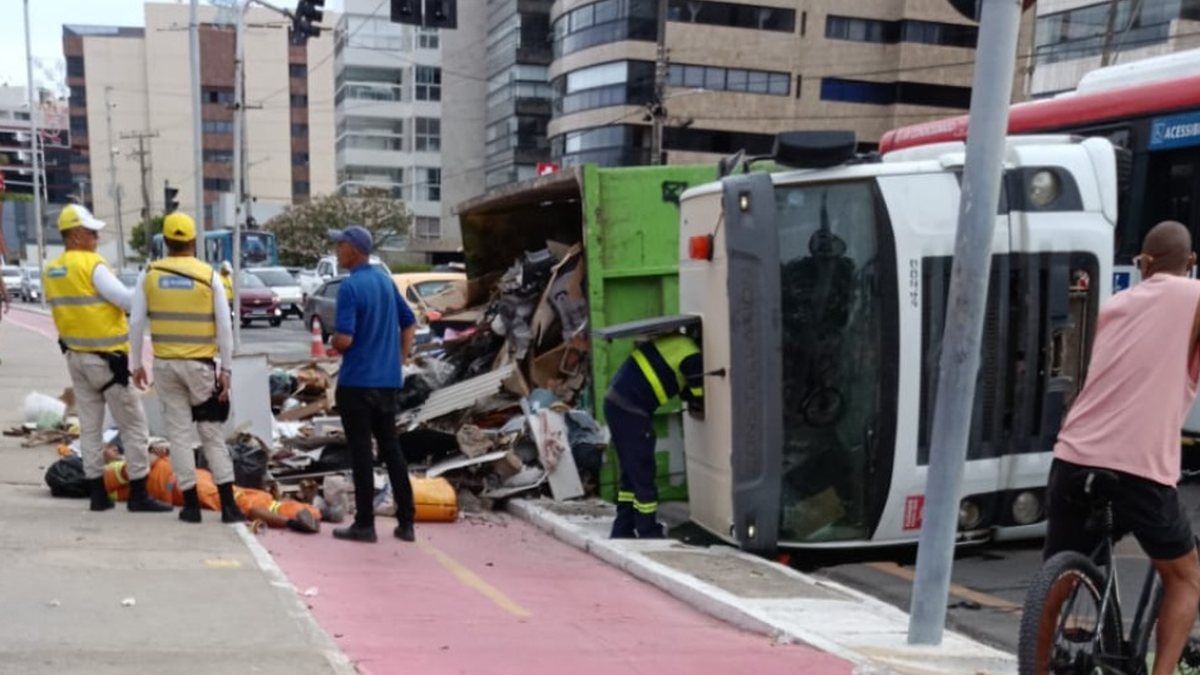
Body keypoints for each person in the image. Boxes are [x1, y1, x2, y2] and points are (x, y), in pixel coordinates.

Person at [1045, 221, 1200, 675]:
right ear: (1189, 264)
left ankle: (1031, 666)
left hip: (1073, 456)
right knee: (1186, 577)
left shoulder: (1114, 306)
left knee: (1054, 578)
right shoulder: (1193, 295)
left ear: (1144, 264)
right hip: (1141, 467)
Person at [42, 204, 171, 514]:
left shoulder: (52, 269)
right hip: (107, 361)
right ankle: (139, 493)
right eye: (90, 232)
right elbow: (125, 300)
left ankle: (97, 494)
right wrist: (144, 278)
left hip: (76, 358)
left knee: (90, 427)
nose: (96, 237)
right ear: (73, 236)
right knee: (134, 425)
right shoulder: (92, 265)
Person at [129, 212, 244, 525]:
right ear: (194, 242)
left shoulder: (149, 274)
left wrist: (136, 364)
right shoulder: (209, 276)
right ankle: (229, 507)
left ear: (165, 242)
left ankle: (191, 507)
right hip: (200, 369)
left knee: (178, 435)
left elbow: (137, 322)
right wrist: (227, 370)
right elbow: (224, 326)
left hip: (166, 367)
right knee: (211, 434)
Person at [327, 225, 417, 544]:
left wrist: (333, 342)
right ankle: (406, 522)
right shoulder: (384, 281)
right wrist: (401, 360)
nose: (337, 251)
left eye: (340, 246)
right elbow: (409, 322)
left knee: (362, 452)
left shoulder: (351, 288)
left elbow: (346, 339)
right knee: (392, 449)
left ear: (354, 249)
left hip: (356, 383)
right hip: (387, 382)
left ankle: (364, 524)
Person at [604, 332, 703, 538]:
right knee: (643, 471)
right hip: (631, 410)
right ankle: (648, 529)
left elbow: (678, 382)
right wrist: (699, 401)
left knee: (631, 474)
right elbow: (700, 395)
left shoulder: (677, 342)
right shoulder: (694, 357)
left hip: (615, 404)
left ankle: (622, 529)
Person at [102, 451, 319, 533]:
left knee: (250, 495)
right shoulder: (109, 473)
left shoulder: (115, 472)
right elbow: (141, 465)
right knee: (239, 502)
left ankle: (315, 511)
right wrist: (151, 454)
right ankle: (292, 522)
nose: (112, 450)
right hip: (179, 483)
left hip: (187, 476)